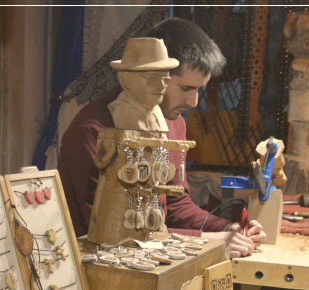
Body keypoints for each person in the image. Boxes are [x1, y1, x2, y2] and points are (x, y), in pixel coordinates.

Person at [57, 18, 266, 258]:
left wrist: (226, 228)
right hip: (98, 264)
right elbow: (114, 233)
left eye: (199, 89)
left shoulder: (173, 122)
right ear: (152, 75)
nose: (193, 102)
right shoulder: (94, 130)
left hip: (150, 258)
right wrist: (207, 239)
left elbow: (175, 203)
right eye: (186, 89)